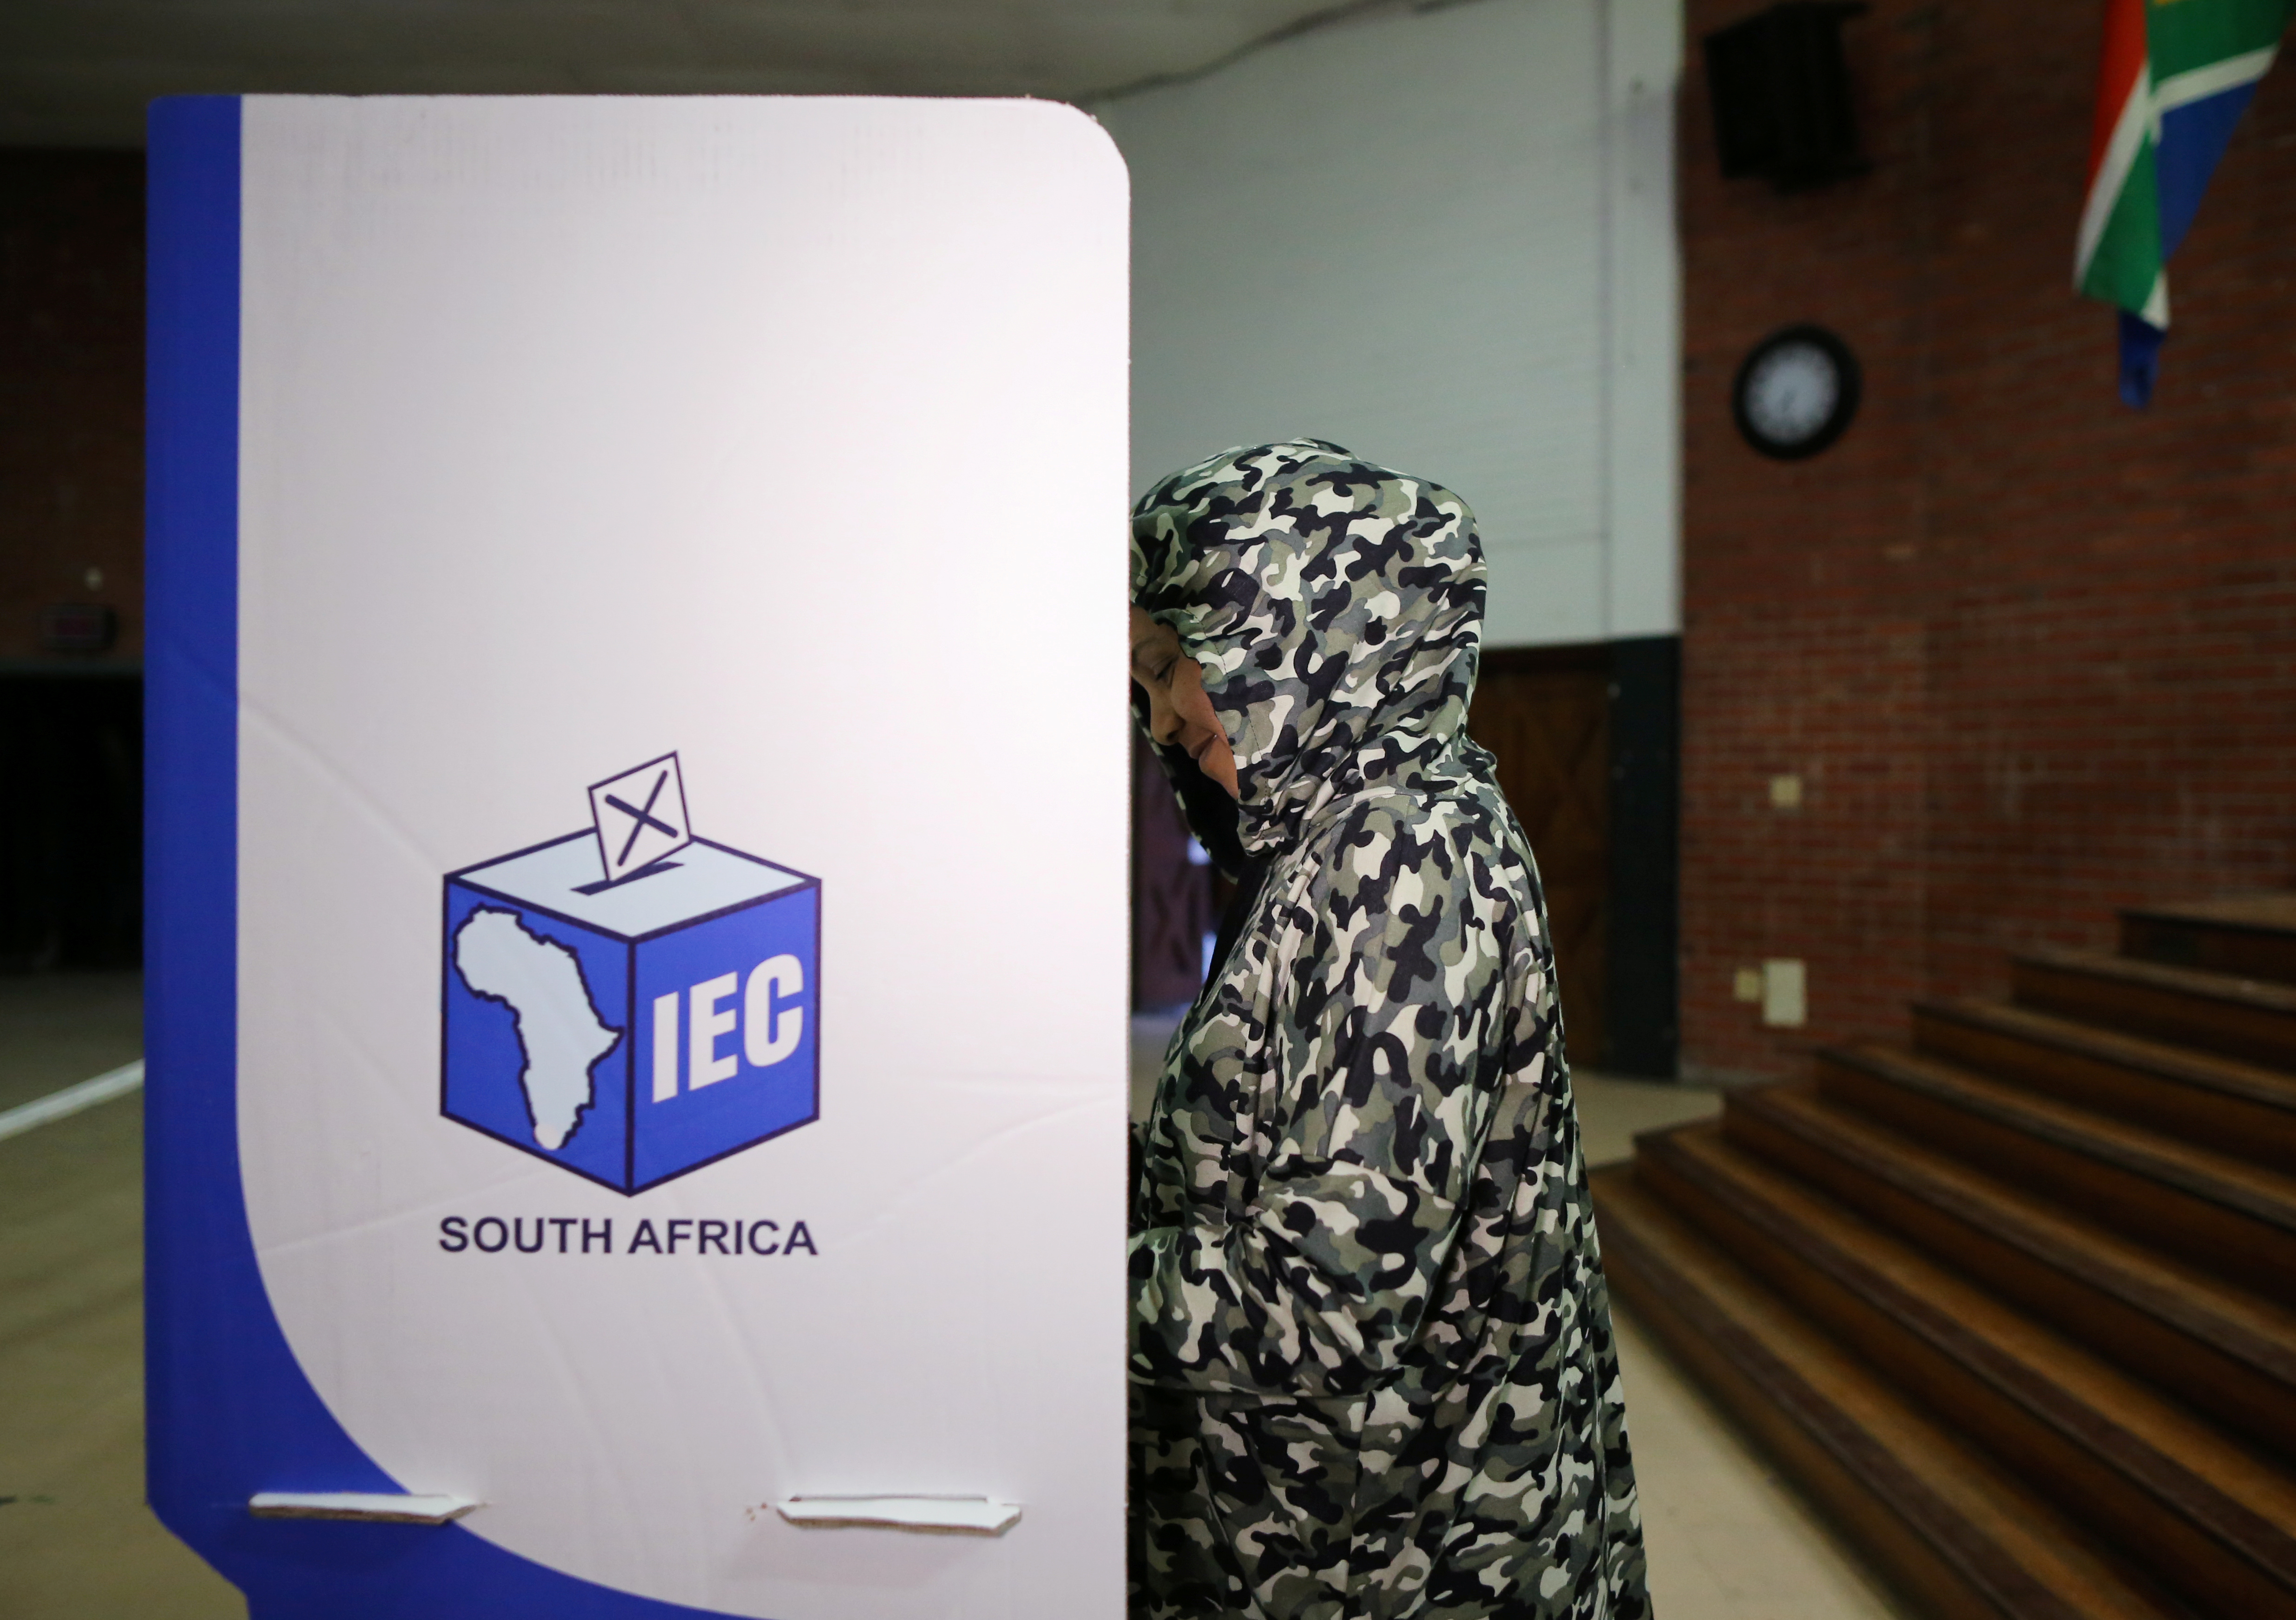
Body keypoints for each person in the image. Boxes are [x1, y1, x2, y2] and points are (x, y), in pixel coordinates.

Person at [1126, 440, 1650, 1620]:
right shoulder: (1341, 838)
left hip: (1401, 1555)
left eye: (1176, 667)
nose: (1161, 720)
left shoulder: (1397, 854)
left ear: (1296, 637)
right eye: (1140, 684)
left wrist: (1052, 1289)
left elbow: (1319, 1308)